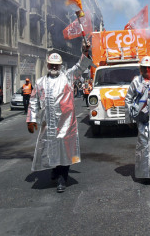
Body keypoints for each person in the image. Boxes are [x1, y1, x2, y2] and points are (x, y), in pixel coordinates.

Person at [26, 44, 92, 193]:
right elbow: (33, 101)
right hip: (48, 124)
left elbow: (79, 67)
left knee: (65, 151)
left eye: (57, 65)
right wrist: (31, 119)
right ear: (47, 64)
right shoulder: (40, 82)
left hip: (66, 124)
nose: (54, 67)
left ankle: (62, 178)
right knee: (51, 150)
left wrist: (85, 51)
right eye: (52, 65)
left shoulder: (68, 77)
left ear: (61, 66)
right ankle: (56, 170)